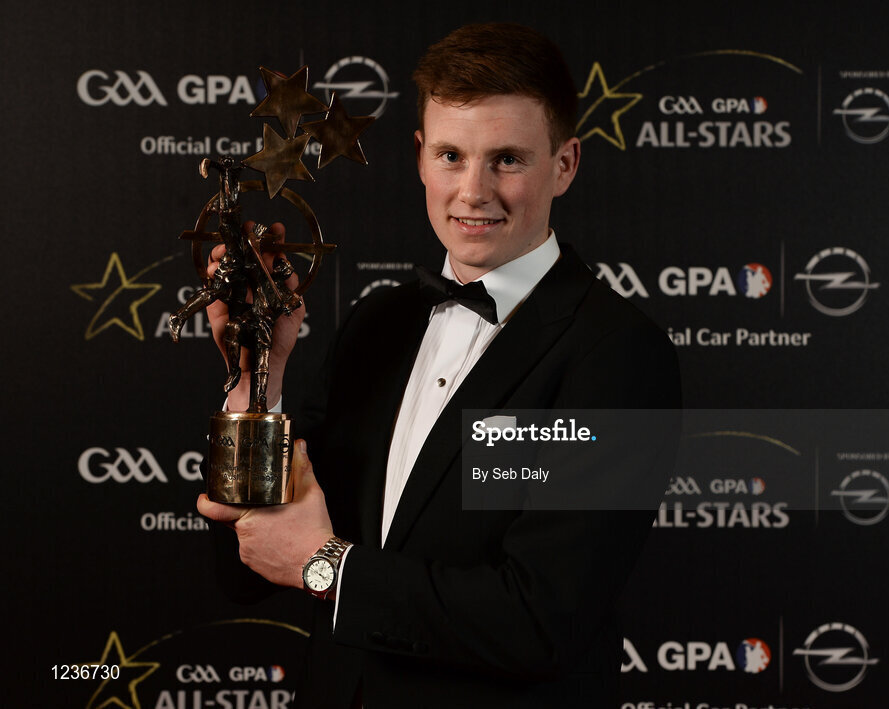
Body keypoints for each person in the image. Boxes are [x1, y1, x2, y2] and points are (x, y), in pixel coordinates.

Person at [197, 22, 681, 708]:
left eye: (507, 159)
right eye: (452, 155)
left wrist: (327, 564)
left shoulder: (618, 353)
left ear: (566, 164)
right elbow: (248, 566)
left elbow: (541, 620)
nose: (473, 192)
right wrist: (256, 375)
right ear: (421, 156)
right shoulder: (379, 322)